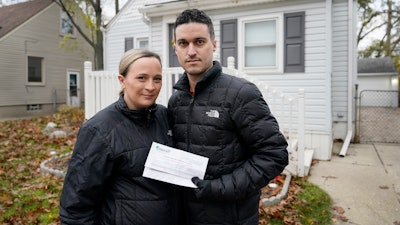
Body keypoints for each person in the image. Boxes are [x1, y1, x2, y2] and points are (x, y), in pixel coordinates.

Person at [168, 9, 289, 225]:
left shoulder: (241, 94)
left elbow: (274, 154)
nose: (191, 51)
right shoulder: (176, 100)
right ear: (175, 47)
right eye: (184, 43)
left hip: (231, 217)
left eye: (199, 41)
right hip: (186, 216)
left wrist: (217, 189)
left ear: (214, 44)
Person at [60, 49, 179, 225]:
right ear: (122, 81)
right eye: (142, 78)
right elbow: (77, 205)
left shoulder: (164, 117)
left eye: (157, 79)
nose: (151, 86)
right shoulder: (99, 130)